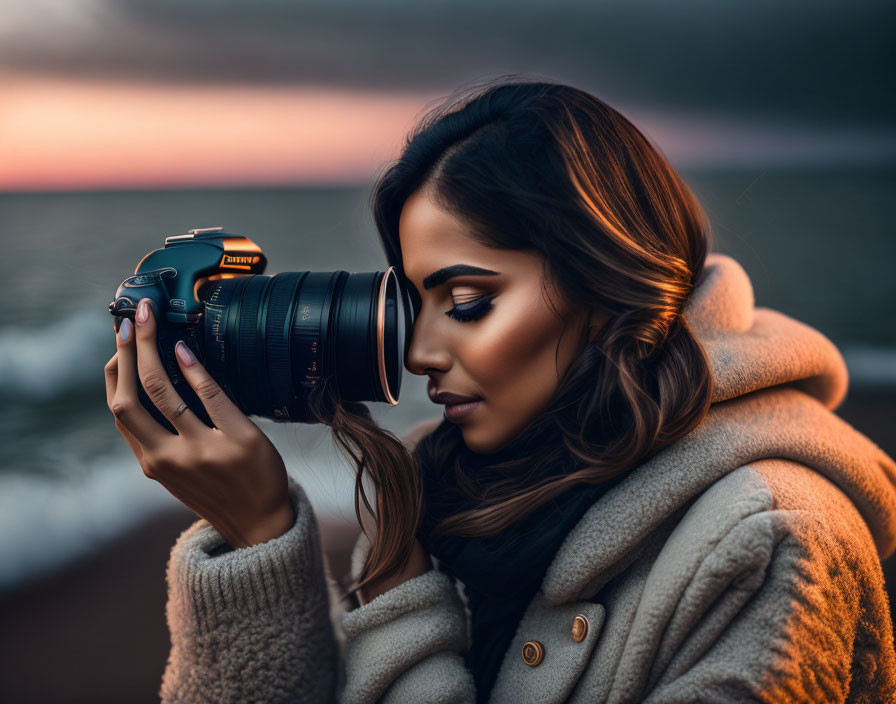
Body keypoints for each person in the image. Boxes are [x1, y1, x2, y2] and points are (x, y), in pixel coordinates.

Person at [104, 79, 896, 703]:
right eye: (418, 305)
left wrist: (401, 599)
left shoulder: (771, 543)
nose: (418, 353)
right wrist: (257, 537)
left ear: (607, 282)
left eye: (471, 303)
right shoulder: (453, 493)